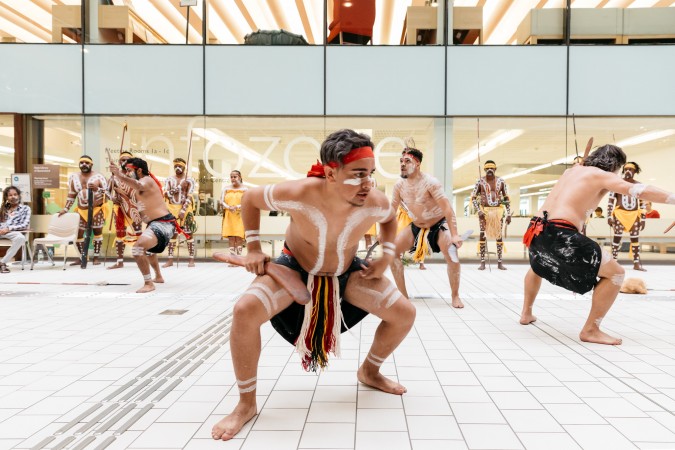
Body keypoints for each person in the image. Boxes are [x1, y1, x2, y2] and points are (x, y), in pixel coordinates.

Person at [211, 129, 415, 441]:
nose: (367, 184)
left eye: (370, 174)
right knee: (244, 311)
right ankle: (245, 403)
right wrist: (253, 248)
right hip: (294, 268)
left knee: (405, 313)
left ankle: (369, 372)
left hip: (345, 274)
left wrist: (387, 257)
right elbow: (251, 199)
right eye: (358, 174)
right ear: (331, 173)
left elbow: (389, 220)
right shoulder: (300, 192)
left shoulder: (373, 201)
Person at [520, 145, 675, 345]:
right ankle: (591, 330)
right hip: (560, 233)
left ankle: (526, 313)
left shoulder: (571, 171)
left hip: (537, 230)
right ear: (616, 166)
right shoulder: (602, 175)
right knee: (616, 273)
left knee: (538, 264)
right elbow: (639, 190)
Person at [389, 147, 464, 308]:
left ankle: (455, 295)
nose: (402, 164)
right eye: (401, 161)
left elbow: (447, 209)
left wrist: (455, 234)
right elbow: (391, 211)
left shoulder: (430, 183)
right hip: (416, 226)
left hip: (438, 225)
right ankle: (403, 296)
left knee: (452, 255)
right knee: (392, 252)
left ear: (417, 164)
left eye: (407, 161)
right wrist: (384, 233)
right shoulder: (399, 185)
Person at [109, 158, 177, 293]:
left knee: (137, 249)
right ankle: (158, 276)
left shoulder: (146, 180)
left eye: (129, 170)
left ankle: (148, 283)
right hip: (156, 223)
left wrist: (119, 174)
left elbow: (137, 185)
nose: (127, 173)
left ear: (139, 170)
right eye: (126, 171)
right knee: (149, 251)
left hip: (163, 223)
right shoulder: (140, 184)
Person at [58, 155, 108, 266]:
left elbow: (108, 195)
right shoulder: (73, 177)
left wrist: (97, 189)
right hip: (81, 210)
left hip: (96, 209)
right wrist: (65, 209)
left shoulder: (99, 177)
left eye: (87, 162)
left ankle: (96, 258)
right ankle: (82, 257)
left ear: (91, 164)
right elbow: (71, 194)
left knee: (97, 233)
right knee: (78, 234)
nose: (84, 164)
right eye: (82, 163)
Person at [470, 160, 511, 270]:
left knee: (498, 235)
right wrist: (478, 210)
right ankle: (482, 262)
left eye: (491, 168)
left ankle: (499, 262)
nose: (489, 170)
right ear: (484, 169)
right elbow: (473, 198)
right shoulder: (480, 182)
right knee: (483, 234)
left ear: (495, 169)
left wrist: (508, 213)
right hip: (484, 212)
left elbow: (506, 198)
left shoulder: (501, 181)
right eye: (487, 168)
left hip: (498, 212)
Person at [607, 162, 647, 271]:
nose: (628, 171)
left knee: (635, 238)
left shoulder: (639, 185)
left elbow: (643, 202)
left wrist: (643, 218)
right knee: (617, 237)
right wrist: (609, 216)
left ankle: (636, 263)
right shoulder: (617, 183)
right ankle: (614, 262)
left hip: (634, 215)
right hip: (620, 214)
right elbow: (610, 201)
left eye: (631, 169)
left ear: (635, 171)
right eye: (626, 169)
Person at [106, 151, 143, 269]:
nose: (124, 162)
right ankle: (120, 261)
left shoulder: (135, 176)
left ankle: (141, 259)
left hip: (134, 207)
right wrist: (112, 198)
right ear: (119, 162)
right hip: (119, 208)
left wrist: (127, 195)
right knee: (120, 233)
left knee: (138, 233)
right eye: (122, 160)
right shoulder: (113, 177)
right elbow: (107, 191)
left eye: (127, 160)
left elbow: (140, 192)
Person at [163, 158, 196, 267]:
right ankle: (170, 259)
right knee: (172, 234)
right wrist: (178, 188)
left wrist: (183, 210)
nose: (177, 168)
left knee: (188, 233)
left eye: (180, 166)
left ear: (184, 167)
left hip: (186, 209)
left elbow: (189, 196)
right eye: (175, 166)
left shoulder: (190, 180)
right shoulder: (169, 179)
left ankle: (191, 259)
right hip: (172, 208)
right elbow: (166, 194)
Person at [0, 186, 31, 273]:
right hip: (1, 231)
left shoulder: (25, 209)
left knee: (20, 238)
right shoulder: (3, 209)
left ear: (19, 196)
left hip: (12, 232)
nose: (13, 197)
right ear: (6, 197)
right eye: (10, 195)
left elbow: (25, 225)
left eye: (15, 194)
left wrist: (8, 229)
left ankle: (2, 262)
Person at [219, 170, 247, 260]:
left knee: (239, 237)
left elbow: (247, 202)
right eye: (231, 177)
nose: (233, 179)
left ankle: (239, 259)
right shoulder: (226, 188)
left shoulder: (245, 189)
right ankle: (232, 259)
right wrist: (229, 207)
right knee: (231, 237)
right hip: (229, 215)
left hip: (240, 215)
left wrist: (237, 206)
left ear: (240, 177)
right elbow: (221, 201)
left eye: (235, 177)